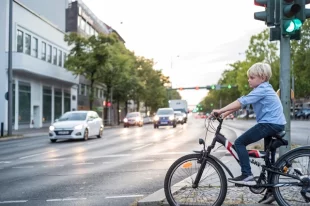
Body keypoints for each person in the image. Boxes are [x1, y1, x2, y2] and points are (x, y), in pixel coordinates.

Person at [211, 62, 286, 204]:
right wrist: (224, 115)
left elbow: (241, 102)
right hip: (274, 123)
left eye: (252, 77)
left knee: (239, 142)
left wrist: (220, 110)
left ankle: (247, 175)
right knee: (268, 158)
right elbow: (243, 102)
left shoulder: (262, 89)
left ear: (262, 77)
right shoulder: (262, 89)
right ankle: (271, 192)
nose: (248, 79)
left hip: (270, 124)